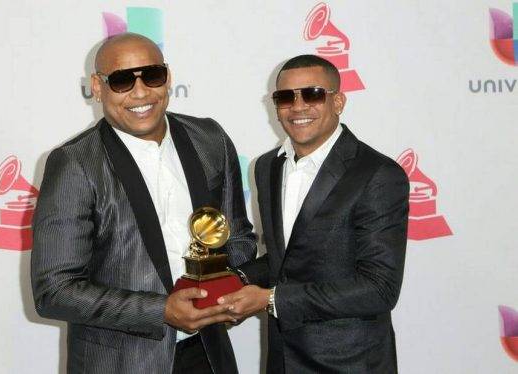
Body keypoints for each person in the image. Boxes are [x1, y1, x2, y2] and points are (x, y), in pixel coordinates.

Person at [30, 33, 256, 374]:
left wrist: (225, 289)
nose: (140, 92)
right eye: (121, 81)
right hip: (120, 362)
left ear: (168, 77)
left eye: (152, 76)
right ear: (97, 86)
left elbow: (237, 237)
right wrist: (161, 310)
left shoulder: (209, 139)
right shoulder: (76, 164)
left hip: (207, 354)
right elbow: (55, 290)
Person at [219, 54, 409, 373]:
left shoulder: (377, 174)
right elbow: (286, 260)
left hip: (350, 363)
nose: (298, 106)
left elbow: (379, 289)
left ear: (338, 101)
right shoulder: (267, 167)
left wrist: (270, 300)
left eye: (313, 94)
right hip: (282, 359)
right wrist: (236, 280)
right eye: (285, 97)